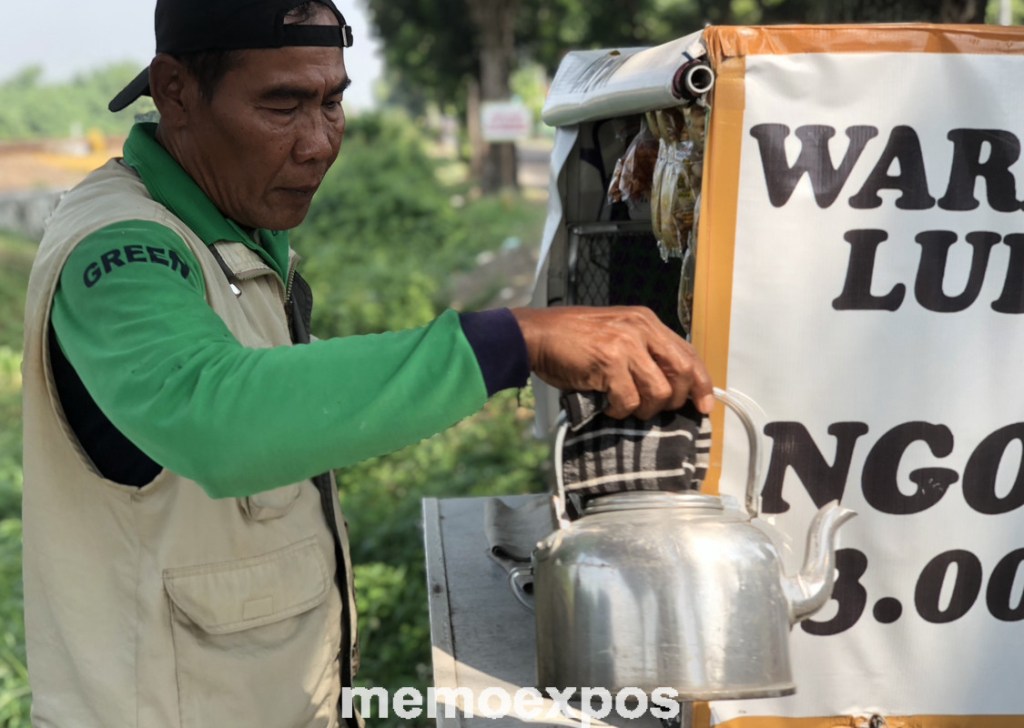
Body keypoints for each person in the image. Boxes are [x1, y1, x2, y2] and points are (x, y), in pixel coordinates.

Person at [20, 1, 713, 726]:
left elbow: (271, 376)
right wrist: (510, 341)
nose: (319, 142)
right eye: (282, 105)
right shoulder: (121, 251)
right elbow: (212, 413)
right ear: (175, 93)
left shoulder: (228, 226)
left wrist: (483, 363)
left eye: (333, 101)